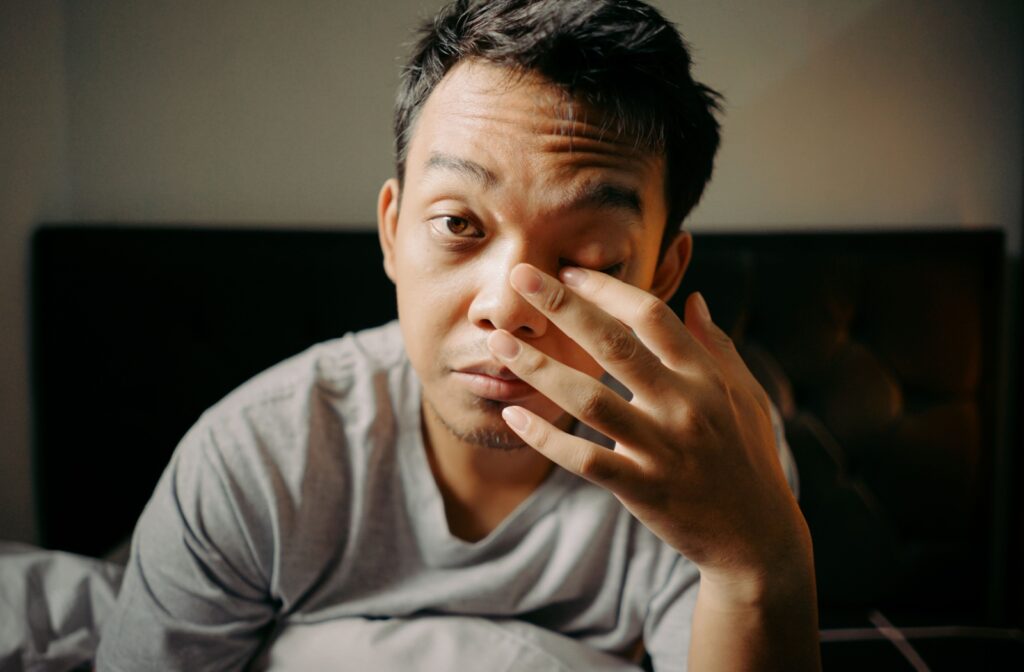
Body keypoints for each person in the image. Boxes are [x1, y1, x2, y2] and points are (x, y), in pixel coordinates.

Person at [97, 1, 820, 670]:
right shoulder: (255, 460)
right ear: (391, 229)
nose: (509, 307)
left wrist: (758, 569)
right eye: (458, 225)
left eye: (590, 257)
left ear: (662, 274)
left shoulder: (710, 464)